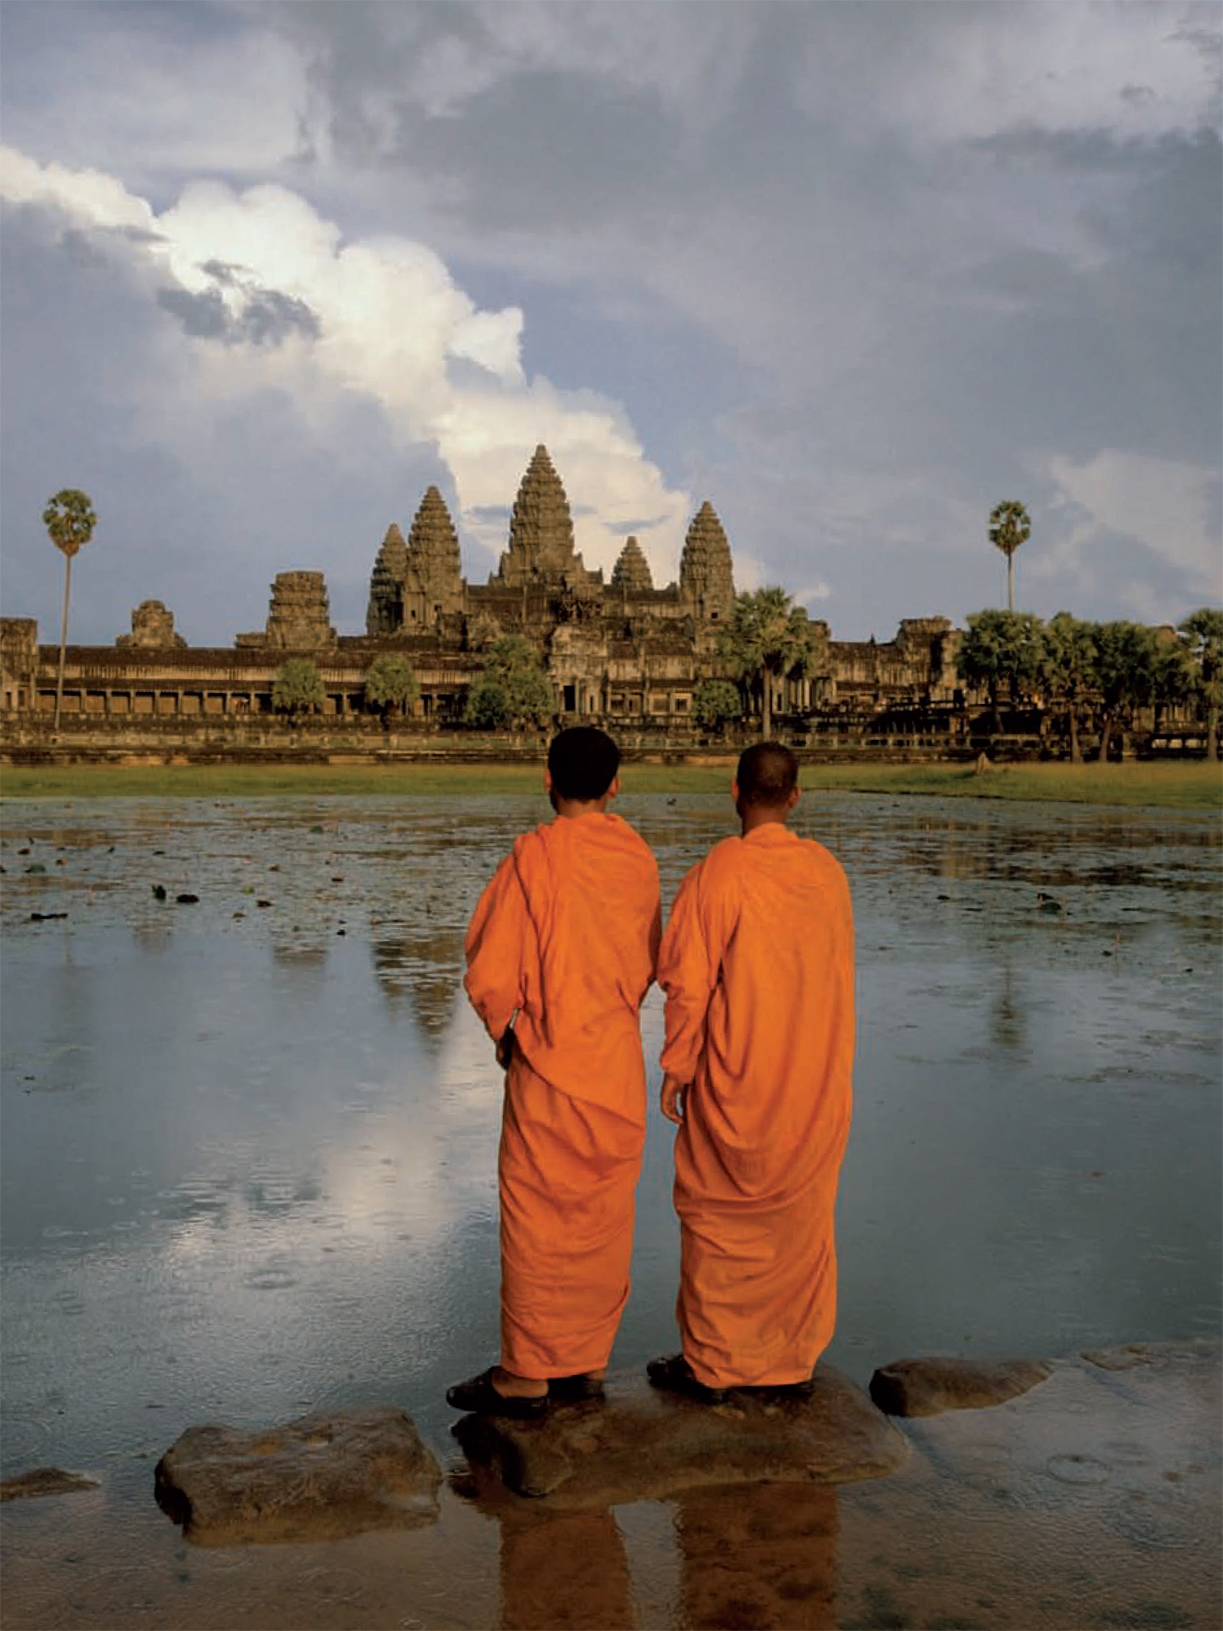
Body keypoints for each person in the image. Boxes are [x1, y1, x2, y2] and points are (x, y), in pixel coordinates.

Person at [448, 726, 661, 1418]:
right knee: (601, 1219)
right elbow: (649, 960)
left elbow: (486, 971)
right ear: (616, 785)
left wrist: (510, 1033)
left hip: (547, 1063)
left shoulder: (531, 860)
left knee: (538, 1220)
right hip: (614, 1064)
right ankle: (586, 1362)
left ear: (546, 779)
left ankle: (528, 1373)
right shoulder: (636, 860)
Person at [649, 742, 854, 1404]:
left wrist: (677, 1064)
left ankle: (712, 1362)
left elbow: (687, 982)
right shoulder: (826, 873)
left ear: (734, 792)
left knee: (718, 1221)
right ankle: (787, 1360)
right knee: (796, 1220)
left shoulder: (717, 873)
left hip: (735, 1075)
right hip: (810, 1078)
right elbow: (836, 976)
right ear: (794, 797)